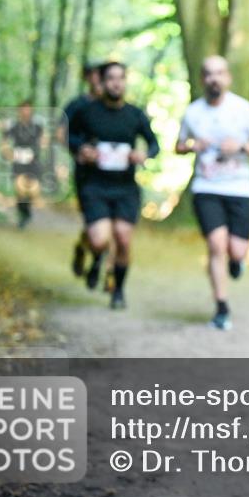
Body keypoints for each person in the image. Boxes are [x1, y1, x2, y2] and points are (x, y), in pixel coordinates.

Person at [175, 56, 249, 331]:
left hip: (240, 188)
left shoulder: (243, 109)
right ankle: (221, 307)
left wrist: (241, 147)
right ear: (202, 79)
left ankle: (237, 262)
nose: (214, 78)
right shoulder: (193, 112)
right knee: (216, 245)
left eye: (219, 73)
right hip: (207, 188)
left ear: (227, 77)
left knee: (236, 251)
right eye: (208, 74)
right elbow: (179, 146)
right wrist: (193, 145)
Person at [68, 61, 160, 310]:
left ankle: (118, 290)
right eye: (111, 78)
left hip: (125, 188)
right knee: (99, 240)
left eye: (121, 78)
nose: (116, 83)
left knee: (123, 238)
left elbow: (154, 144)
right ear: (102, 81)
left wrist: (143, 155)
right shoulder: (87, 111)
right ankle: (93, 253)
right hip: (95, 186)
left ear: (125, 81)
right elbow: (69, 136)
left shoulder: (135, 115)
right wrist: (81, 149)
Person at [64, 63, 104, 277]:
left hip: (114, 176)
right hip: (87, 174)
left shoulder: (116, 107)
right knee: (93, 222)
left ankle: (100, 262)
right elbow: (61, 131)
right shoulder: (78, 106)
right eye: (94, 76)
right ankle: (84, 248)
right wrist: (80, 147)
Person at [3, 100, 44, 229]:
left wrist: (38, 151)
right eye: (23, 109)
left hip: (33, 162)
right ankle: (23, 214)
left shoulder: (37, 127)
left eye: (28, 109)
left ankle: (27, 211)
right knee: (19, 189)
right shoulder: (14, 126)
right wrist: (8, 153)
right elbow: (4, 141)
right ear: (19, 111)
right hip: (18, 161)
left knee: (31, 190)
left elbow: (44, 141)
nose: (25, 111)